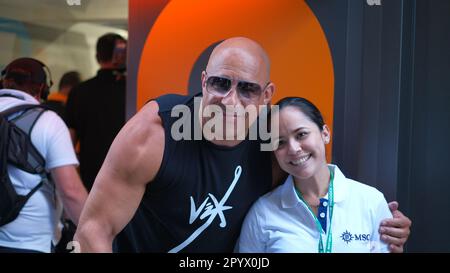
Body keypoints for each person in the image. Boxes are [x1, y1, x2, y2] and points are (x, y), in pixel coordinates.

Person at [74, 37, 411, 253]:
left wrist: (380, 223)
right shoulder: (157, 132)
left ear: (266, 96)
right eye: (220, 83)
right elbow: (93, 231)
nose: (229, 100)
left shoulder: (273, 146)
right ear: (204, 82)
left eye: (247, 89)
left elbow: (319, 197)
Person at [239, 97, 400, 252]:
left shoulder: (371, 202)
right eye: (280, 142)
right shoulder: (263, 212)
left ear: (325, 134)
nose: (293, 149)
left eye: (301, 134)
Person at [0, 57, 87, 253]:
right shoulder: (48, 122)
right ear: (42, 89)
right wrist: (96, 230)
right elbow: (70, 191)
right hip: (29, 242)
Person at [65, 33, 127, 191]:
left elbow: (69, 142)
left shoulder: (79, 91)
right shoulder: (132, 90)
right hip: (127, 174)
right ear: (122, 56)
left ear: (97, 56)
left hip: (90, 178)